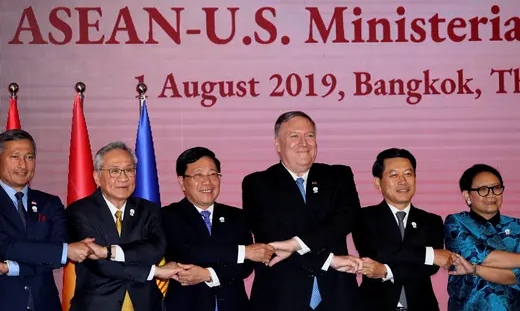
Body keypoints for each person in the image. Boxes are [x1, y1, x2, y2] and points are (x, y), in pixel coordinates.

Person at [242, 111, 363, 311]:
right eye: (294, 136)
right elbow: (272, 239)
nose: (303, 143)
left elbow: (344, 220)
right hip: (280, 296)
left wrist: (295, 243)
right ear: (277, 144)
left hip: (338, 296)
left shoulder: (338, 175)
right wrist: (328, 260)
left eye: (309, 136)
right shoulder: (258, 183)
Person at [66, 141, 175, 311]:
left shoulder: (148, 209)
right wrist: (153, 272)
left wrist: (108, 252)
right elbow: (99, 264)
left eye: (129, 170)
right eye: (114, 171)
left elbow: (155, 250)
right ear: (96, 177)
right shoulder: (79, 211)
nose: (123, 178)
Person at [162, 147, 273, 311]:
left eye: (213, 174)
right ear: (181, 181)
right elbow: (189, 252)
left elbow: (246, 266)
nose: (207, 182)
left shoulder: (237, 216)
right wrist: (243, 252)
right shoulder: (167, 215)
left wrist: (208, 274)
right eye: (198, 175)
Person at [352, 148, 456, 311]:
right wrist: (429, 254)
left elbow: (431, 267)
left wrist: (386, 270)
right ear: (378, 182)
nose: (403, 181)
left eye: (408, 174)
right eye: (394, 175)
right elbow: (380, 252)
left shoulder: (431, 220)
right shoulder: (363, 216)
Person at [0, 129, 93, 311]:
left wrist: (8, 267)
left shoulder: (49, 203)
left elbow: (58, 259)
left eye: (29, 157)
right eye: (14, 157)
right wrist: (63, 251)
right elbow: (5, 246)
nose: (22, 165)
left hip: (45, 304)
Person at [445, 164, 520, 310]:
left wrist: (475, 270)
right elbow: (484, 257)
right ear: (467, 195)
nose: (491, 194)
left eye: (496, 188)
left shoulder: (517, 226)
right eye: (483, 190)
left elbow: (516, 277)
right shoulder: (456, 222)